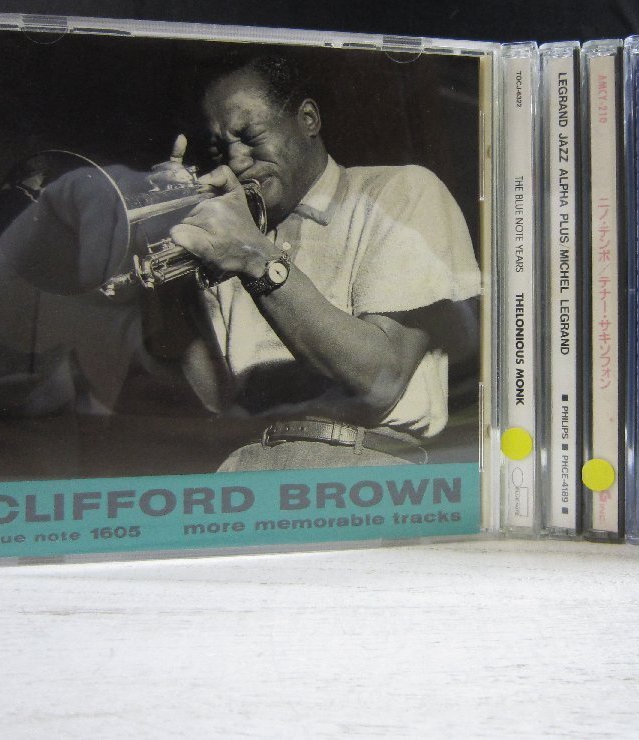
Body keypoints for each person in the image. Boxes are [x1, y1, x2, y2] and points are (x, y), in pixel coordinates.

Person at [166, 55, 481, 471]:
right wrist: (169, 241)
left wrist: (256, 258)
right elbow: (216, 399)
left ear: (308, 119)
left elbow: (379, 380)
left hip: (364, 466)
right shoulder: (231, 233)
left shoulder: (400, 191)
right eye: (219, 149)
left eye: (251, 136)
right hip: (244, 467)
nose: (236, 162)